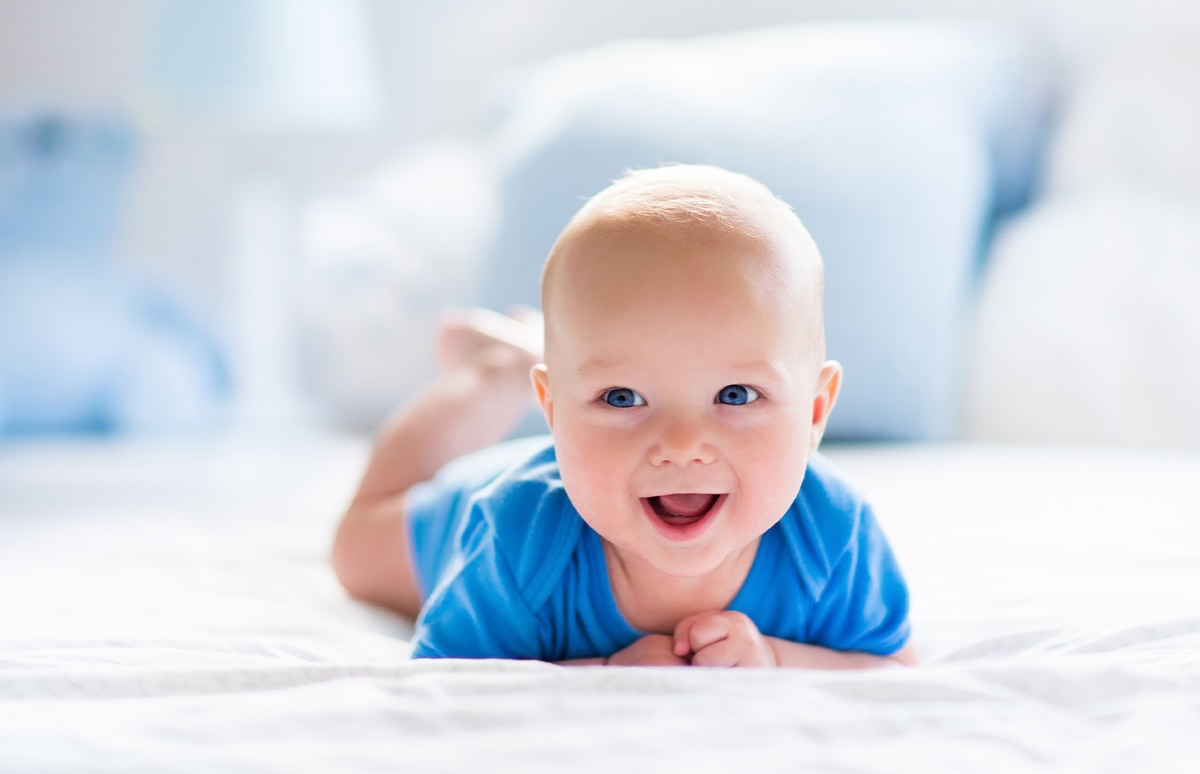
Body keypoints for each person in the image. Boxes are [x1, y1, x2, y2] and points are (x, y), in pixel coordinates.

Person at [331, 164, 916, 668]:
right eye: (621, 397)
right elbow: (450, 683)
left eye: (736, 395)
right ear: (554, 411)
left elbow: (889, 665)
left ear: (814, 411)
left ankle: (551, 358)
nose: (683, 444)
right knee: (354, 551)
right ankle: (498, 373)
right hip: (460, 511)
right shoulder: (516, 537)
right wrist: (603, 669)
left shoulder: (833, 535)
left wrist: (775, 657)